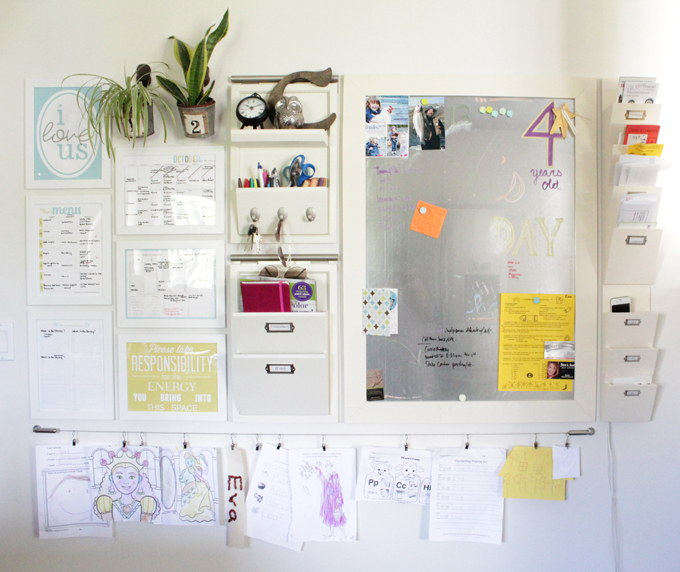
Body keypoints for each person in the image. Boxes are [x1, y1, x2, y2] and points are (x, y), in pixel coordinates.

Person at [94, 449, 159, 522]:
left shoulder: (147, 505)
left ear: (140, 479)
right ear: (111, 478)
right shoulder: (106, 504)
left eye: (132, 477)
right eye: (119, 477)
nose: (125, 482)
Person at [178, 452, 215, 523]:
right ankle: (194, 511)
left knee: (205, 489)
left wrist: (205, 462)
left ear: (194, 461)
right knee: (202, 490)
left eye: (191, 461)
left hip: (200, 483)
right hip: (197, 484)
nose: (190, 464)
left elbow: (205, 472)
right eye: (188, 463)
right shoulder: (191, 470)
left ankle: (203, 508)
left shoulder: (197, 467)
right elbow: (199, 477)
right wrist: (206, 482)